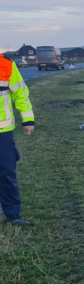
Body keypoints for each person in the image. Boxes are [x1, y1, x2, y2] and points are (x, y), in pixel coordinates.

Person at [0, 54, 34, 226]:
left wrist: (27, 119)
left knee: (6, 173)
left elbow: (20, 94)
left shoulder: (6, 65)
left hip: (2, 130)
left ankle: (12, 214)